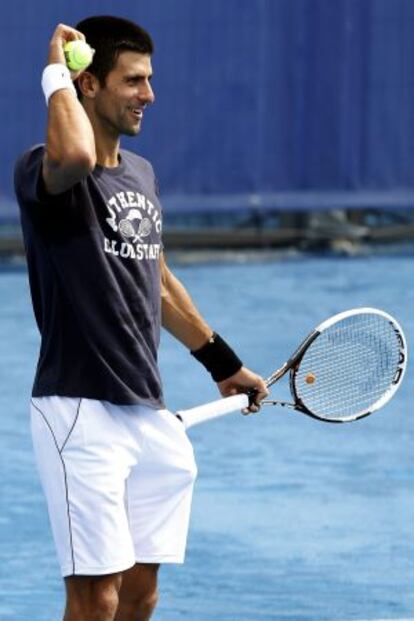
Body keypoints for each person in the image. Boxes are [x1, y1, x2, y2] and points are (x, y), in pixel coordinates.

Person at [14, 16, 268, 621]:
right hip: (80, 409)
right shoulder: (43, 170)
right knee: (95, 597)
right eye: (133, 81)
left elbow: (156, 280)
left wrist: (222, 363)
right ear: (90, 85)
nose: (148, 95)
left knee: (138, 591)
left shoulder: (143, 175)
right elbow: (74, 151)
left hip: (148, 411)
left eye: (149, 80)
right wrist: (56, 70)